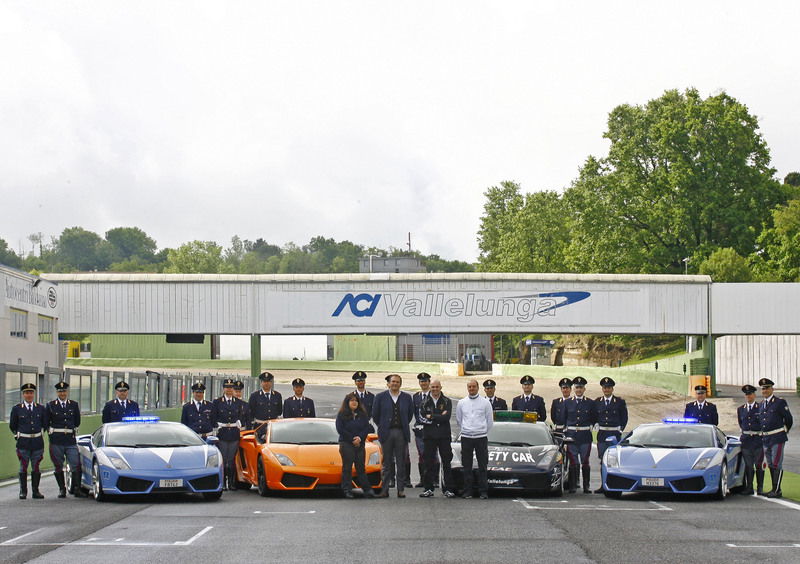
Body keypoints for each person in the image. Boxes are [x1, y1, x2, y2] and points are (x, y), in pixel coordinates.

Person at [371, 374, 414, 498]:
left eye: (397, 382)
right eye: (393, 382)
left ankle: (401, 490)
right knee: (387, 463)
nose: (395, 384)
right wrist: (383, 426)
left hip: (401, 432)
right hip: (386, 433)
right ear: (388, 384)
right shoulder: (380, 397)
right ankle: (384, 490)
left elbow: (409, 414)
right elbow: (375, 415)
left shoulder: (406, 397)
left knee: (401, 462)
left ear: (400, 384)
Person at [456, 379, 493, 499]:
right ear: (467, 388)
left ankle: (483, 491)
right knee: (467, 466)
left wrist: (481, 431)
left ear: (478, 388)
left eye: (473, 387)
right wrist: (467, 430)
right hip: (466, 437)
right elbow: (459, 420)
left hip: (481, 437)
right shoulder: (461, 403)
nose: (471, 389)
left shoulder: (485, 403)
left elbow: (489, 421)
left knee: (482, 465)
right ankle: (468, 491)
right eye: (469, 387)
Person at [10, 383, 48, 500]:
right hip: (23, 442)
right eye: (27, 393)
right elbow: (13, 425)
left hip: (37, 442)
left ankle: (35, 491)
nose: (29, 395)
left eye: (31, 393)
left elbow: (45, 424)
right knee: (23, 467)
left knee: (36, 467)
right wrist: (19, 435)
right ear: (23, 394)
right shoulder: (17, 409)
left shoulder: (40, 408)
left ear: (34, 394)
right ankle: (23, 491)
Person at [418, 380, 456, 498]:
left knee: (446, 462)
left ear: (441, 387)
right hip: (429, 437)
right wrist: (438, 416)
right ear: (430, 387)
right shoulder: (424, 402)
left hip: (444, 436)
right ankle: (428, 488)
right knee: (428, 462)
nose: (435, 389)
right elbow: (422, 419)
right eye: (433, 387)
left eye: (437, 387)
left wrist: (432, 416)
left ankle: (447, 489)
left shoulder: (447, 401)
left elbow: (446, 417)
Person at [46, 381, 84, 498]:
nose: (62, 393)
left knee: (75, 464)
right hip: (56, 440)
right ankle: (62, 489)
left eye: (64, 391)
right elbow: (47, 422)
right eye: (60, 391)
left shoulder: (73, 405)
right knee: (58, 465)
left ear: (67, 392)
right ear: (57, 392)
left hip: (70, 440)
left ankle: (77, 489)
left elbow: (77, 421)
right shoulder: (51, 405)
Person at [335, 393, 377, 499]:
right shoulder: (342, 415)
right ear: (347, 402)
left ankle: (367, 490)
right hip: (346, 444)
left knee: (361, 468)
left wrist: (360, 438)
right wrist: (352, 439)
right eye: (352, 400)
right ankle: (347, 490)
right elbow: (340, 429)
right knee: (347, 468)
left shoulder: (362, 415)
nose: (354, 402)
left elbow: (366, 428)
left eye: (356, 401)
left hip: (360, 444)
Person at [758, 378, 793, 498]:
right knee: (770, 464)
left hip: (777, 437)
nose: (765, 390)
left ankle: (777, 490)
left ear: (772, 389)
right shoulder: (762, 404)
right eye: (763, 388)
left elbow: (788, 419)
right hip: (766, 438)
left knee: (777, 463)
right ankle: (774, 488)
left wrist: (784, 431)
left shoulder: (779, 402)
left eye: (767, 388)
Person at [213, 378, 249, 490]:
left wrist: (240, 423)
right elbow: (214, 417)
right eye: (227, 388)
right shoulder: (217, 402)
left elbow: (243, 417)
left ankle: (232, 483)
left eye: (231, 388)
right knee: (223, 459)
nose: (229, 390)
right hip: (222, 433)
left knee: (232, 460)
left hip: (234, 433)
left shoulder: (238, 403)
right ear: (223, 389)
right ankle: (223, 483)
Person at [594, 376, 628, 493]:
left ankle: (615, 484)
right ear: (602, 389)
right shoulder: (597, 402)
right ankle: (603, 485)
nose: (606, 390)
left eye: (608, 388)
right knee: (603, 460)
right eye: (604, 388)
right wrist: (595, 424)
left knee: (614, 460)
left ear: (612, 389)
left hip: (614, 434)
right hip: (602, 434)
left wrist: (620, 429)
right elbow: (594, 416)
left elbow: (624, 417)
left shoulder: (619, 402)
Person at [564, 376, 597, 494]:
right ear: (573, 389)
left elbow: (594, 418)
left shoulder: (590, 403)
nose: (579, 390)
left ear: (584, 389)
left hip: (585, 436)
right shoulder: (567, 403)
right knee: (573, 462)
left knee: (585, 461)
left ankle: (586, 486)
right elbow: (564, 419)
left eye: (581, 388)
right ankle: (573, 486)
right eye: (577, 387)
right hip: (572, 436)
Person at [411, 372, 437, 488]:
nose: (424, 383)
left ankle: (435, 479)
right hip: (420, 430)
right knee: (421, 455)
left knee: (433, 455)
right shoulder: (416, 396)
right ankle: (423, 479)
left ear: (429, 382)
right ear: (419, 383)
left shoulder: (435, 395)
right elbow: (413, 413)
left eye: (426, 381)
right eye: (422, 381)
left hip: (432, 429)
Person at [737, 384, 763, 496]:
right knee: (748, 465)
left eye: (750, 394)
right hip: (746, 440)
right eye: (747, 394)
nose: (748, 396)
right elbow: (741, 424)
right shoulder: (741, 409)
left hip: (758, 440)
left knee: (758, 464)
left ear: (754, 395)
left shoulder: (760, 407)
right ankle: (749, 487)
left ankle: (760, 487)